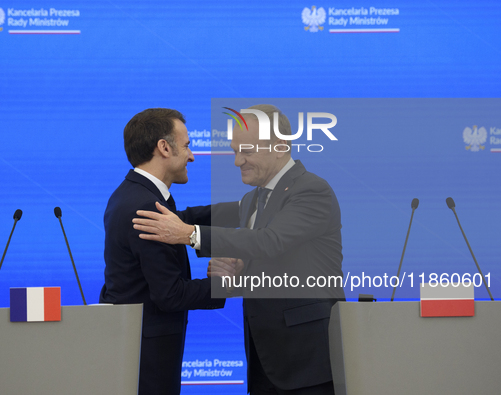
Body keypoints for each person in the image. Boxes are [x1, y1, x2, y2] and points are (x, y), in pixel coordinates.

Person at [133, 104, 345, 394]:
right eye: (234, 151)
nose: (237, 161)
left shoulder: (311, 191)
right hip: (265, 360)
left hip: (307, 363)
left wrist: (189, 235)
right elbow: (203, 215)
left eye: (246, 150)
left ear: (281, 146)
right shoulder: (252, 199)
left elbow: (270, 242)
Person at [99, 108, 237, 395]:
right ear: (164, 147)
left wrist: (244, 211)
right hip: (149, 359)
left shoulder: (133, 193)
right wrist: (226, 283)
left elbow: (180, 221)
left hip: (136, 347)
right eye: (187, 145)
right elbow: (170, 294)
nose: (192, 155)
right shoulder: (145, 205)